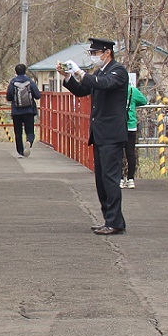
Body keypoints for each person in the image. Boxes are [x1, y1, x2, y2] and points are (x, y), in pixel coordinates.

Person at [61, 37, 129, 235]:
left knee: (110, 178)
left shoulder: (118, 71)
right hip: (99, 134)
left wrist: (81, 72)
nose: (93, 57)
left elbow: (105, 84)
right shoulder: (100, 72)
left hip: (112, 134)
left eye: (95, 53)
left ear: (107, 52)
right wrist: (68, 77)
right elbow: (84, 90)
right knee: (101, 180)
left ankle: (115, 222)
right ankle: (108, 218)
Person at [4, 63, 42, 157]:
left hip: (16, 111)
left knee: (18, 132)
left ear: (16, 72)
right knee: (30, 131)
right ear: (25, 71)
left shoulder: (13, 82)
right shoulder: (30, 82)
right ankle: (29, 142)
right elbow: (37, 95)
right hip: (29, 111)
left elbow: (8, 97)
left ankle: (20, 151)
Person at [123, 78, 148, 188]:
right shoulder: (132, 91)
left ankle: (119, 178)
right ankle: (131, 179)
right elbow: (144, 101)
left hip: (118, 126)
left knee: (118, 153)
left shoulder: (116, 91)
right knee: (130, 153)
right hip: (131, 125)